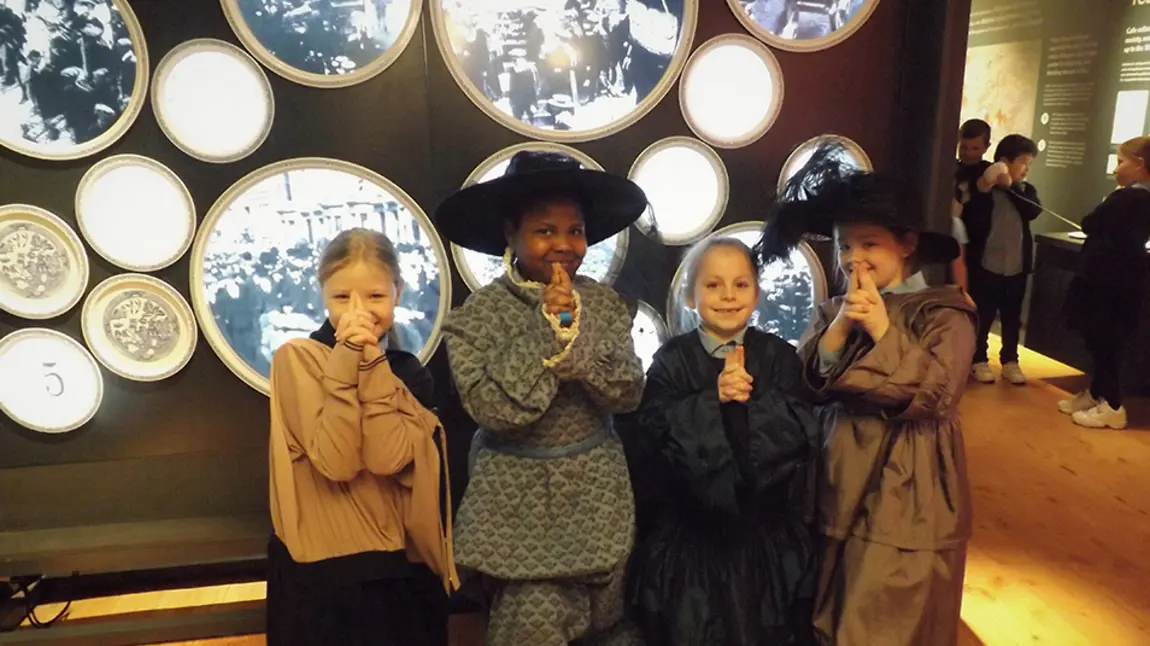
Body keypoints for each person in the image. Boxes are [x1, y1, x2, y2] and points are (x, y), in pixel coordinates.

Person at [759, 145, 976, 646]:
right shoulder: (835, 308)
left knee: (883, 611)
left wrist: (882, 327)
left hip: (908, 482)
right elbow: (803, 382)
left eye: (870, 243)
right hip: (835, 475)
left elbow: (936, 392)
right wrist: (840, 326)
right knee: (825, 601)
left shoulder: (943, 311)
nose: (854, 258)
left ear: (905, 245)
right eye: (844, 247)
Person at [434, 151, 649, 645]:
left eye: (574, 230)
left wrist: (578, 339)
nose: (563, 245)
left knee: (610, 629)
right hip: (518, 511)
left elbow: (629, 391)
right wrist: (543, 335)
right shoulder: (477, 317)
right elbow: (491, 409)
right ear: (511, 232)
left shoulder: (604, 302)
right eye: (545, 230)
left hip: (600, 498)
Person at [625, 236, 821, 646]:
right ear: (691, 297)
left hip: (766, 543)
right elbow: (652, 439)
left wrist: (750, 404)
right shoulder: (671, 360)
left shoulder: (779, 357)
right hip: (690, 546)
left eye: (741, 284)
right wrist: (709, 401)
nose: (728, 296)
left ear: (757, 293)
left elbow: (801, 433)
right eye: (713, 285)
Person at [265, 228, 457, 646]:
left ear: (397, 292)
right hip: (326, 579)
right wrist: (346, 357)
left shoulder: (410, 373)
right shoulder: (295, 359)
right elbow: (336, 462)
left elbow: (388, 459)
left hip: (401, 571)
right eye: (341, 298)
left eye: (374, 296)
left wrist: (371, 364)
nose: (359, 311)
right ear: (322, 296)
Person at [1059, 136, 1150, 429]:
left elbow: (1090, 222)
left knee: (1105, 342)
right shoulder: (1136, 199)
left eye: (1121, 162)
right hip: (1118, 282)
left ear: (1140, 164)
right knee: (1103, 341)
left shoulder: (1128, 198)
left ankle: (1111, 404)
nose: (1116, 169)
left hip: (1106, 284)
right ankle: (1098, 393)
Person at [962, 133, 1040, 385]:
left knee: (1012, 316)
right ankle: (978, 358)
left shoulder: (1026, 190)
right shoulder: (986, 190)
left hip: (1016, 267)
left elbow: (1033, 211)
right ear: (1005, 161)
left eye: (1030, 164)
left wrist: (1013, 187)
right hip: (987, 265)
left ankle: (1010, 359)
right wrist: (996, 184)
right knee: (983, 314)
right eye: (1023, 162)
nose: (1026, 169)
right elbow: (973, 215)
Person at [951, 119, 992, 292]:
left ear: (986, 147)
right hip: (954, 234)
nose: (968, 153)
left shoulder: (988, 172)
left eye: (974, 148)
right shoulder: (950, 168)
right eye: (964, 147)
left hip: (980, 242)